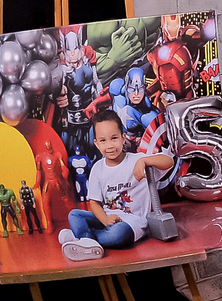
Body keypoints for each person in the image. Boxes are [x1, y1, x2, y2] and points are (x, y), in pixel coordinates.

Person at [59, 109, 174, 262]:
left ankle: (81, 237)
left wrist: (144, 161)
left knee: (118, 235)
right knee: (74, 214)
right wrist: (105, 220)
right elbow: (94, 203)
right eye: (103, 141)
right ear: (96, 144)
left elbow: (169, 162)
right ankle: (86, 240)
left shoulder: (136, 160)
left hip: (131, 222)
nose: (110, 146)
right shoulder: (98, 168)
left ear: (123, 138)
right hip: (107, 218)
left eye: (114, 138)